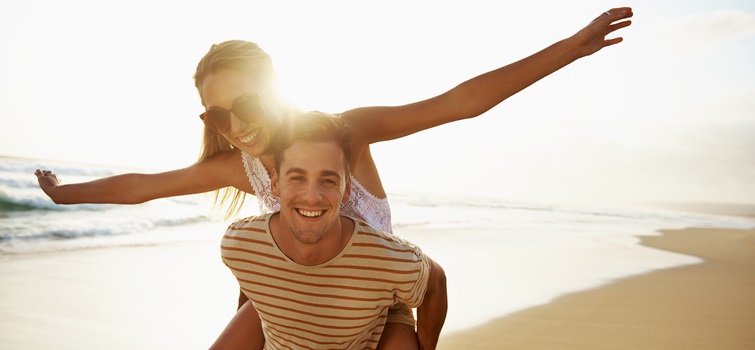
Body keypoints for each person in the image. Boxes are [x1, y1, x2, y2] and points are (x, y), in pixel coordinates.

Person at [33, 7, 633, 348]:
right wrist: (65, 196)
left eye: (247, 102)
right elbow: (143, 186)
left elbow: (458, 103)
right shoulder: (238, 168)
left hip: (372, 298)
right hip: (294, 297)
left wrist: (568, 49)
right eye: (219, 114)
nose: (236, 124)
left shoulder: (341, 134)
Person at [215, 110, 447, 349]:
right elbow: (251, 281)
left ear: (346, 188)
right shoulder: (240, 243)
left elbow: (435, 283)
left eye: (328, 180)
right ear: (274, 182)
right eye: (297, 177)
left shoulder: (385, 260)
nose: (312, 198)